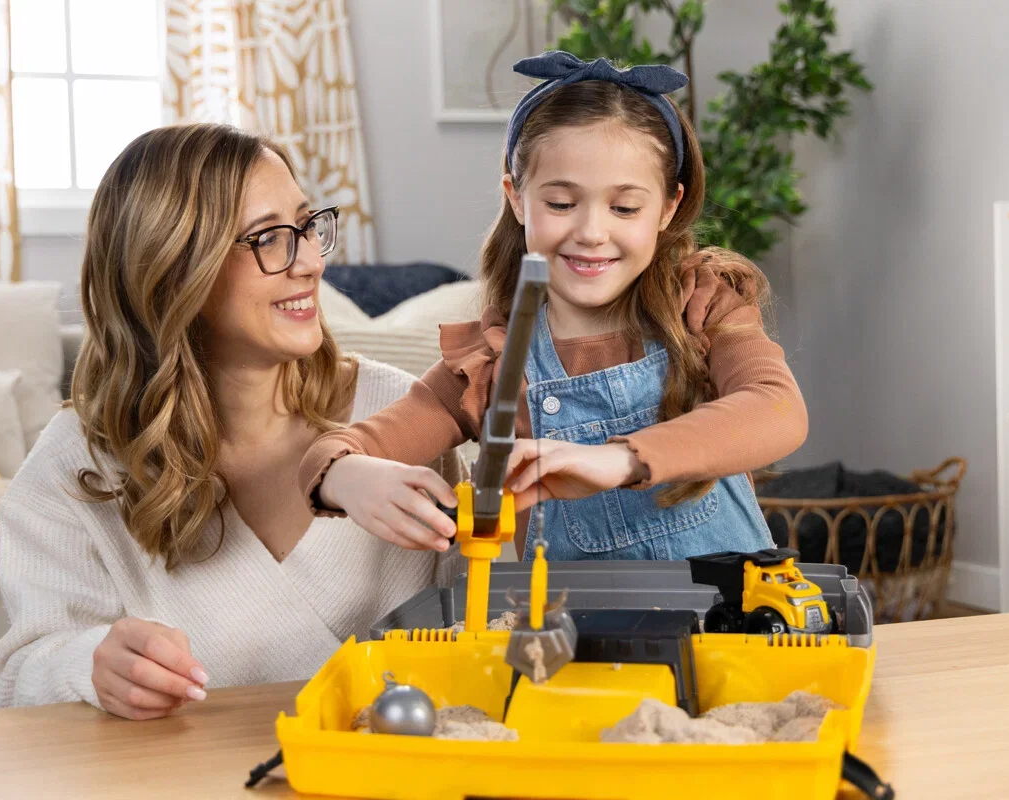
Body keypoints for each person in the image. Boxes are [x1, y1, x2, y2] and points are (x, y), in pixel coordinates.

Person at [0, 123, 465, 720]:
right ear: (174, 270)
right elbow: (14, 679)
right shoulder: (76, 463)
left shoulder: (404, 414)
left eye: (307, 226)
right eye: (269, 238)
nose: (311, 262)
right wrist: (88, 665)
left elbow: (479, 624)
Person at [297, 51, 808, 563]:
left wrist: (621, 459)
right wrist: (346, 476)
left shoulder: (702, 306)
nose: (591, 232)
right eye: (561, 204)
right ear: (517, 198)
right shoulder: (490, 364)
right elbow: (328, 454)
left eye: (624, 207)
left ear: (668, 208)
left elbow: (777, 408)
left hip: (734, 613)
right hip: (570, 619)